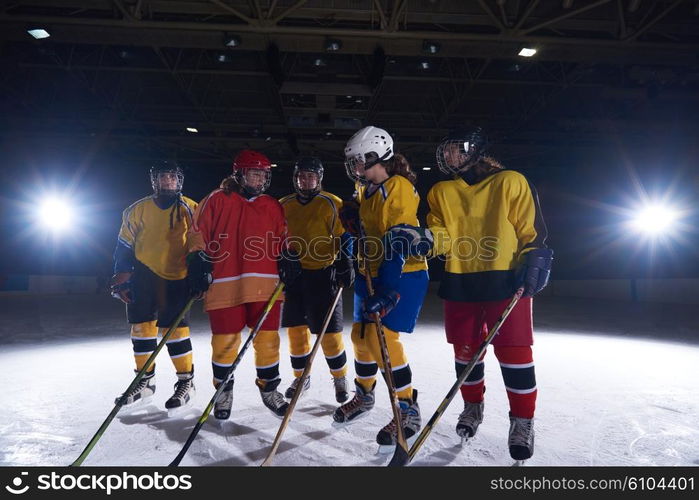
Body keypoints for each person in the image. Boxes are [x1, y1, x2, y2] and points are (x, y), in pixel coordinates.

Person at [426, 127, 553, 461]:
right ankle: (472, 408)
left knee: (514, 353)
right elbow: (442, 235)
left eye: (456, 149)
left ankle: (522, 421)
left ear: (475, 150)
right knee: (465, 352)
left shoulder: (509, 181)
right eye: (447, 151)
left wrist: (536, 256)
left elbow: (530, 227)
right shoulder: (441, 191)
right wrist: (425, 240)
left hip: (505, 279)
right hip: (460, 280)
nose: (449, 156)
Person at [333, 126, 429, 449]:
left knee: (380, 337)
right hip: (370, 272)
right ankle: (364, 395)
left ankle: (407, 408)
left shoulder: (397, 187)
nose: (355, 167)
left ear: (375, 156)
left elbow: (399, 237)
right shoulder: (367, 188)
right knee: (360, 338)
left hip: (401, 275)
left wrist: (388, 287)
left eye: (359, 161)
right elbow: (362, 225)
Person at [187, 149, 301, 420]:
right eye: (254, 173)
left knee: (268, 341)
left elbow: (282, 236)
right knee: (225, 344)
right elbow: (196, 232)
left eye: (263, 174)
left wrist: (288, 254)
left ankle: (269, 389)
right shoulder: (216, 199)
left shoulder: (272, 205)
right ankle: (223, 390)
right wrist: (197, 257)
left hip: (266, 287)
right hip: (226, 285)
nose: (260, 179)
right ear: (239, 174)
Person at [110, 161, 198, 411]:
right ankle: (144, 381)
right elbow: (124, 246)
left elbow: (198, 244)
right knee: (142, 329)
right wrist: (122, 276)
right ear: (154, 181)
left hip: (177, 278)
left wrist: (199, 272)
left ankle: (186, 382)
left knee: (176, 331)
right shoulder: (136, 210)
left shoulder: (191, 208)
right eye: (163, 177)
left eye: (172, 177)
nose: (168, 181)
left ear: (179, 180)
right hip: (144, 276)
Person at [278, 157, 354, 403]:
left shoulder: (332, 203)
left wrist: (346, 261)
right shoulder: (284, 204)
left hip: (324, 275)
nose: (306, 180)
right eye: (302, 176)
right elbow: (276, 237)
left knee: (330, 335)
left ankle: (340, 378)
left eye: (311, 176)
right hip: (295, 277)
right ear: (295, 178)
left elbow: (345, 236)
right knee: (296, 332)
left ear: (319, 179)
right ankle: (301, 377)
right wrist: (283, 258)